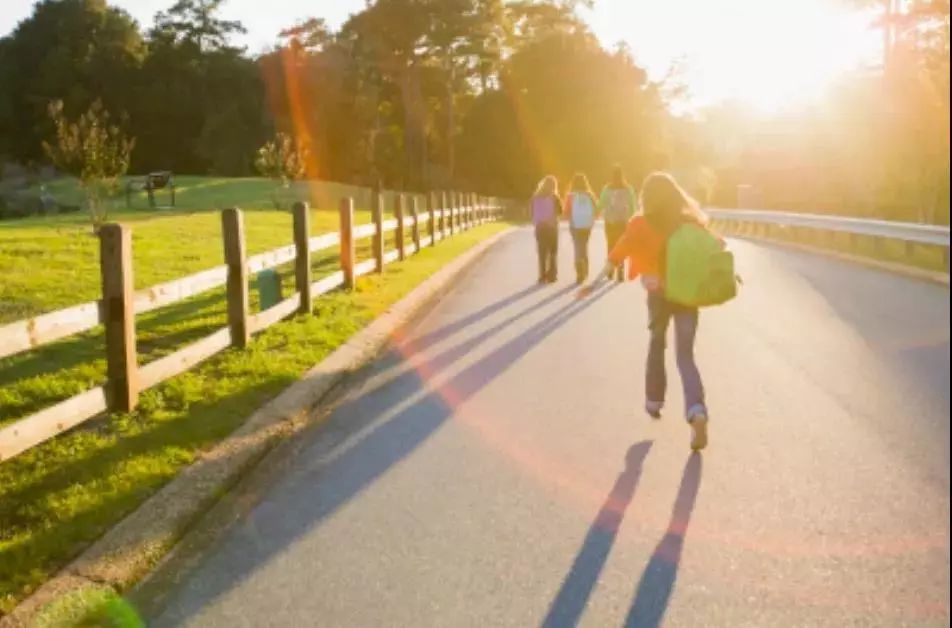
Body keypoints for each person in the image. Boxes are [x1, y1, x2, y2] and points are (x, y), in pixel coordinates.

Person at [581, 172, 711, 451]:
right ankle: (697, 410)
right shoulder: (691, 222)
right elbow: (711, 254)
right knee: (686, 356)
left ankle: (654, 400)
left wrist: (592, 285)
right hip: (688, 296)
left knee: (656, 344)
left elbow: (616, 255)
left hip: (658, 296)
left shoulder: (639, 224)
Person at [598, 165, 637, 282]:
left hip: (610, 221)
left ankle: (610, 270)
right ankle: (620, 270)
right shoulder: (628, 189)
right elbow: (632, 205)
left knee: (610, 245)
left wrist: (597, 212)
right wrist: (631, 217)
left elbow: (601, 203)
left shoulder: (607, 188)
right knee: (621, 246)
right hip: (623, 222)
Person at [565, 172, 599, 284]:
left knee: (577, 247)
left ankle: (579, 272)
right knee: (584, 246)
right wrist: (592, 219)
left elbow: (566, 212)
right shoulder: (589, 194)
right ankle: (586, 270)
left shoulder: (570, 196)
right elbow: (596, 209)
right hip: (587, 225)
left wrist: (570, 218)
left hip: (575, 225)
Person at [529, 175, 562, 283]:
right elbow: (560, 211)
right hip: (552, 227)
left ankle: (542, 276)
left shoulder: (535, 197)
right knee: (553, 252)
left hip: (540, 227)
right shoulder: (555, 197)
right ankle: (552, 276)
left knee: (542, 253)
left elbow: (531, 212)